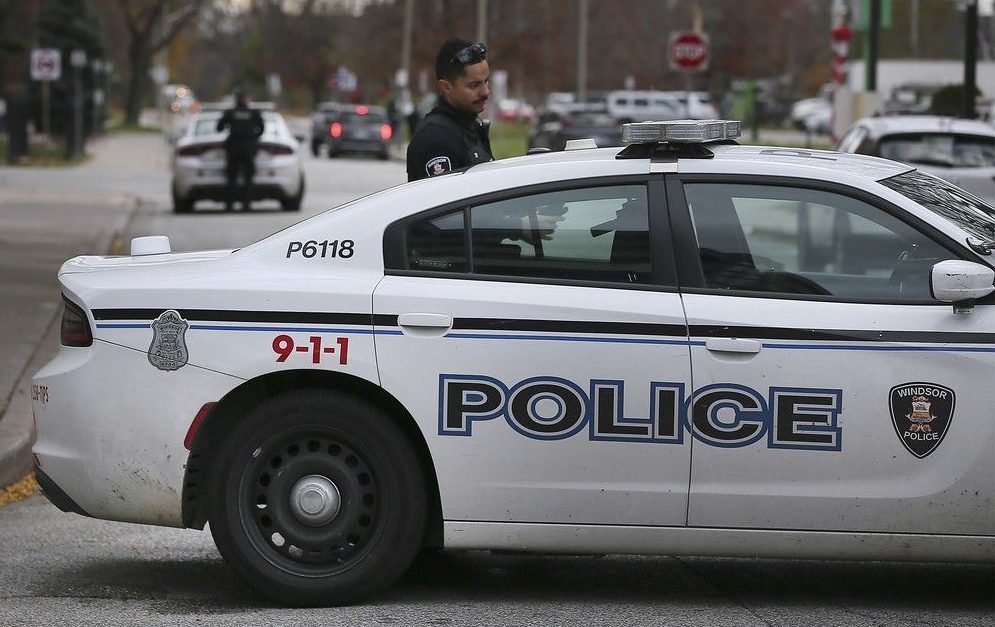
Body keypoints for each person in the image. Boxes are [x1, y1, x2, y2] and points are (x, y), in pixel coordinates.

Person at [406, 39, 494, 182]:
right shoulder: (435, 139)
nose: (485, 92)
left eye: (486, 81)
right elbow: (446, 194)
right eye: (474, 85)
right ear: (446, 87)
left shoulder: (469, 127)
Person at [216, 91, 264, 211]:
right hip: (249, 149)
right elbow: (262, 129)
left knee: (231, 178)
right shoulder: (254, 113)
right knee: (248, 178)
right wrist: (253, 138)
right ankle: (246, 205)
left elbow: (219, 128)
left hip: (233, 149)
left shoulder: (230, 113)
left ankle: (229, 205)